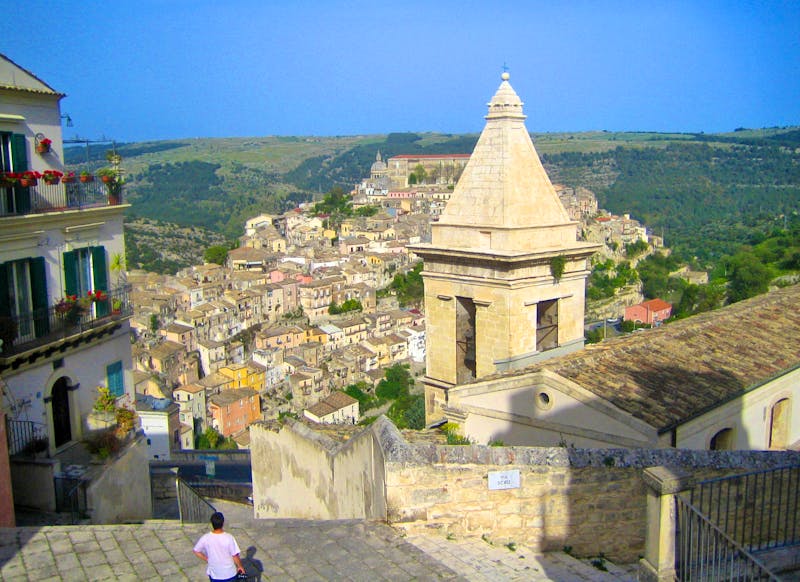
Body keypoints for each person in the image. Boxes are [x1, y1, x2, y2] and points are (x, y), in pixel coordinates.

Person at [193, 512, 246, 582]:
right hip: (230, 574)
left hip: (215, 574)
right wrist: (240, 566)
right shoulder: (229, 538)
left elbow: (196, 551)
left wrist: (207, 559)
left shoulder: (206, 538)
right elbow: (235, 555)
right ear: (223, 523)